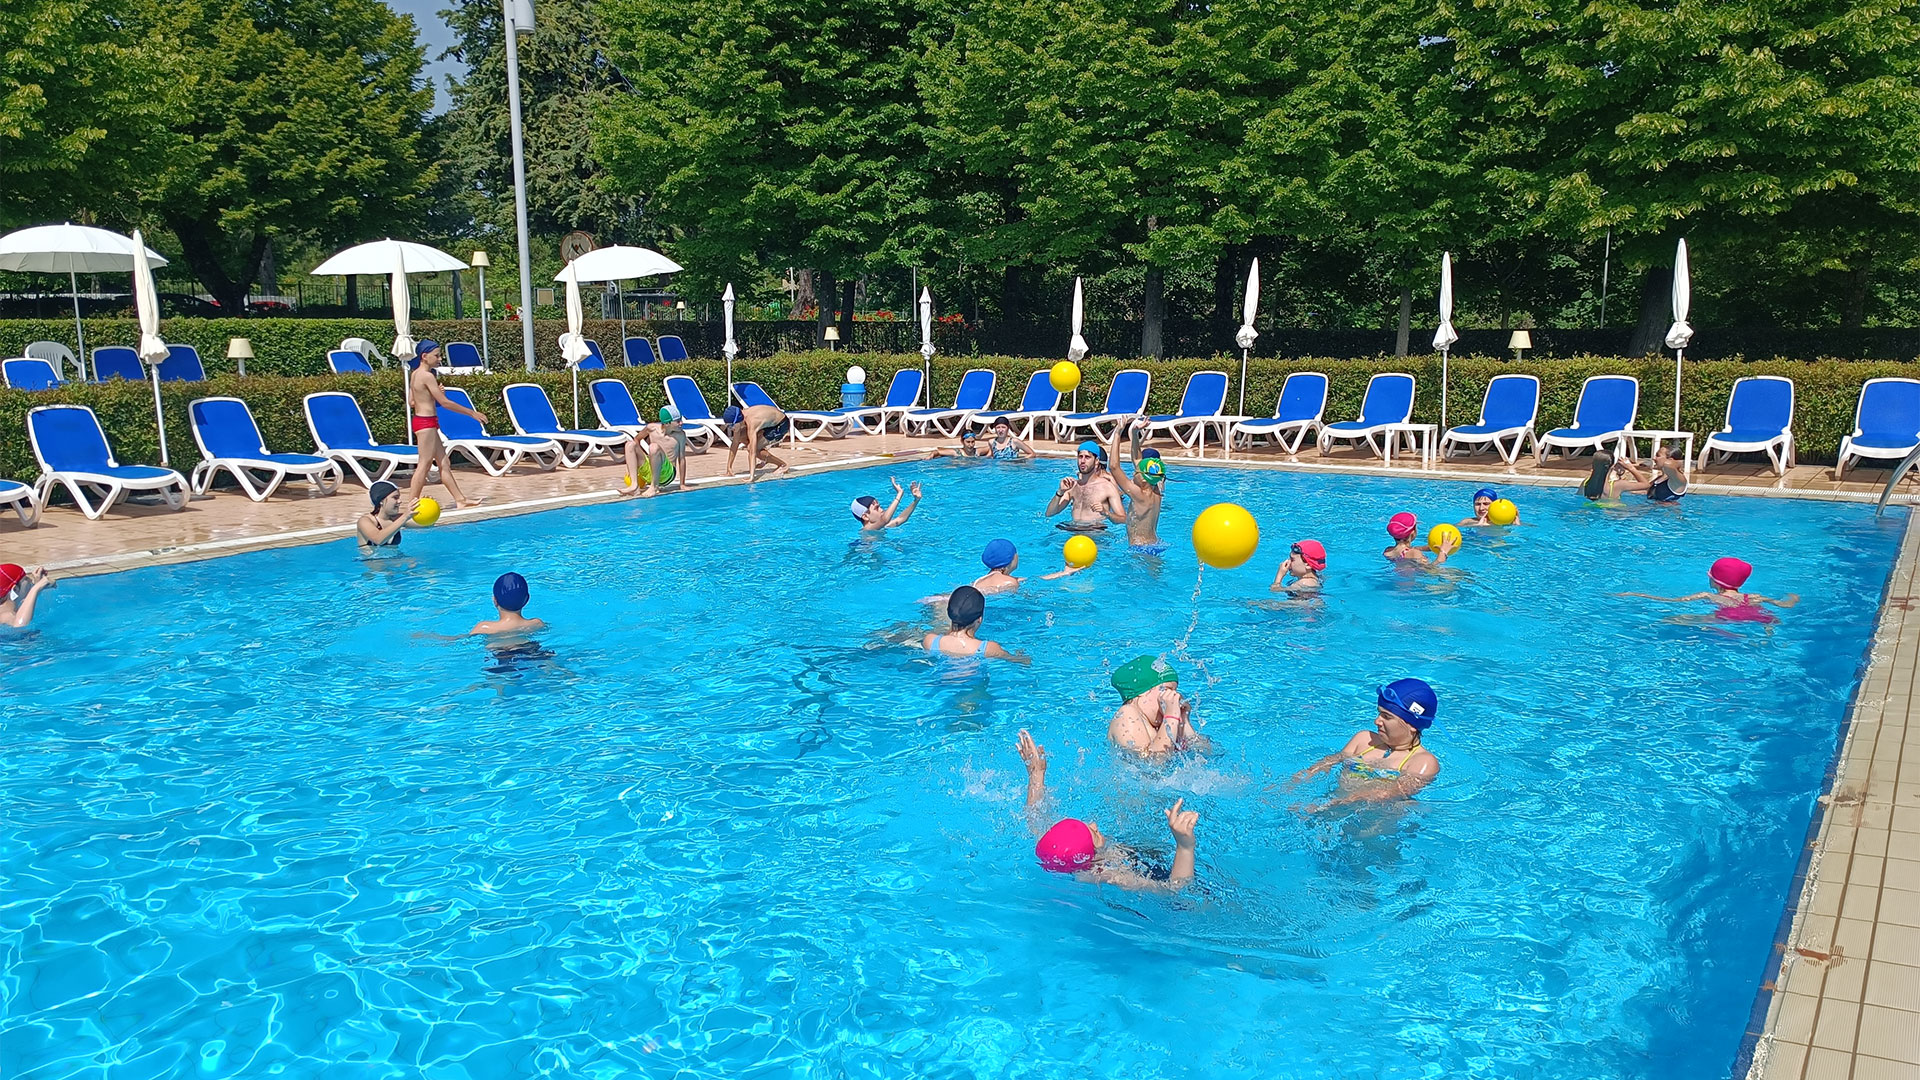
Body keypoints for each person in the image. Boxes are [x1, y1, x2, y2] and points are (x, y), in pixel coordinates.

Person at [1019, 730, 1199, 891]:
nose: (1094, 824)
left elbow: (1035, 820)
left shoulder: (1058, 855)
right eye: (1094, 833)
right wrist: (1184, 846)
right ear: (1092, 856)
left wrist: (1036, 774)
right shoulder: (1110, 875)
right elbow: (1175, 891)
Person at [1291, 678, 1442, 809]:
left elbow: (1387, 794)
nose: (1377, 721)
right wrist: (1291, 784)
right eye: (1379, 713)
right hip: (1332, 806)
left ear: (1412, 724)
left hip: (1375, 827)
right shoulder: (1363, 740)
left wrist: (1330, 805)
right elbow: (1328, 762)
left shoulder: (1423, 763)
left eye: (1386, 717)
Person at [405, 340, 486, 509]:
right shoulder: (427, 376)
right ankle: (411, 503)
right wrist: (472, 413)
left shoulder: (415, 374)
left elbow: (412, 402)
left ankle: (460, 500)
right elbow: (445, 403)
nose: (440, 358)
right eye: (437, 355)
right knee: (425, 464)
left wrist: (432, 395)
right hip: (425, 423)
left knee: (444, 463)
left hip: (425, 421)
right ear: (424, 356)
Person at [1619, 556, 1799, 622]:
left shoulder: (1708, 596)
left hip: (1724, 617)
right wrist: (1793, 597)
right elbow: (1784, 605)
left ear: (1715, 582)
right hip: (1756, 615)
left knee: (1672, 619)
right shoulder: (1754, 597)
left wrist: (1636, 593)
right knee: (1770, 622)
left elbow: (1672, 601)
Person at [1107, 655, 1211, 756]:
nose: (1174, 696)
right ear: (1142, 692)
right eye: (1166, 690)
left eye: (1175, 691)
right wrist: (1171, 715)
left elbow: (1204, 754)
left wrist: (1183, 719)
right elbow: (1153, 764)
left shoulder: (1162, 726)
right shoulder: (1127, 714)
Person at [923, 585, 1027, 662]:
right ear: (979, 619)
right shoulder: (988, 648)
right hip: (973, 690)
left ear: (949, 613)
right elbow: (1018, 661)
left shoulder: (930, 641)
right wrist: (1020, 656)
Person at [1108, 421, 1166, 552]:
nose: (1133, 473)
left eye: (1136, 472)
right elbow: (1137, 460)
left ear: (1144, 479)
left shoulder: (1139, 494)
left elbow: (1113, 467)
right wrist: (1134, 433)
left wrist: (1117, 433)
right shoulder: (1156, 488)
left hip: (1141, 548)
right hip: (1155, 545)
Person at [1045, 441, 1126, 532]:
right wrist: (1060, 492)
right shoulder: (1072, 486)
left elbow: (1123, 519)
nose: (1082, 461)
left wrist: (1106, 513)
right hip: (1073, 531)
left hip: (1095, 534)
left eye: (1087, 457)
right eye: (1080, 457)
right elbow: (1049, 513)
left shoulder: (1107, 487)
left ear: (1096, 461)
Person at [618, 406, 688, 498]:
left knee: (653, 447)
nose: (681, 423)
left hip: (667, 474)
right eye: (678, 421)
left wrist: (682, 484)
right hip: (650, 471)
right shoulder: (651, 428)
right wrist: (630, 467)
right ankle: (634, 486)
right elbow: (637, 440)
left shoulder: (680, 435)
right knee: (630, 444)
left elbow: (682, 459)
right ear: (667, 423)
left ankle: (654, 487)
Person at [971, 539, 1085, 594]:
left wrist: (1064, 573)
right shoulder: (1010, 583)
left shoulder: (978, 582)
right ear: (1010, 559)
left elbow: (1036, 579)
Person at [722, 404, 792, 484]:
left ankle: (782, 465)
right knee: (739, 436)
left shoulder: (752, 422)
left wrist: (751, 476)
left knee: (752, 448)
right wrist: (729, 468)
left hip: (780, 426)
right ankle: (765, 457)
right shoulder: (742, 415)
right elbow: (734, 444)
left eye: (731, 426)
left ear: (738, 420)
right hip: (770, 424)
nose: (731, 428)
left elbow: (752, 452)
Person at [471, 572, 547, 636]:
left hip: (502, 652)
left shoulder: (484, 628)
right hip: (530, 650)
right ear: (527, 599)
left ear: (495, 601)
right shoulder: (536, 624)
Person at [357, 479, 418, 553]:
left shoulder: (396, 519)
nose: (400, 501)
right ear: (381, 501)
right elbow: (378, 539)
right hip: (374, 562)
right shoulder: (365, 521)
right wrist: (404, 517)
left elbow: (427, 524)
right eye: (395, 497)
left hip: (397, 561)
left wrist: (428, 508)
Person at [1614, 445, 1689, 503]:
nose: (1654, 458)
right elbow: (1645, 487)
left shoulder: (1679, 480)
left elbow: (1667, 465)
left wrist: (1631, 468)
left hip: (1667, 518)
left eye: (1658, 456)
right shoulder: (1660, 478)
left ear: (1670, 460)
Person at [1383, 512, 1456, 566]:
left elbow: (1408, 551)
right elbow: (1431, 571)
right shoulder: (1415, 554)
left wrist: (1430, 547)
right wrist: (1443, 553)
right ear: (1413, 533)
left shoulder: (1388, 551)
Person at [854, 477, 923, 532]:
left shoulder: (880, 527)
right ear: (865, 517)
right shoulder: (868, 529)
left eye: (880, 506)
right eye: (877, 508)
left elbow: (901, 519)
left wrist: (916, 500)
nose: (881, 510)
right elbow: (885, 520)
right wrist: (899, 494)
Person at [0, 563, 54, 628]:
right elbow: (20, 626)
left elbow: (26, 605)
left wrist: (37, 584)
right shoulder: (6, 615)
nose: (30, 581)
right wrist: (35, 589)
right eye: (26, 579)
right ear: (15, 589)